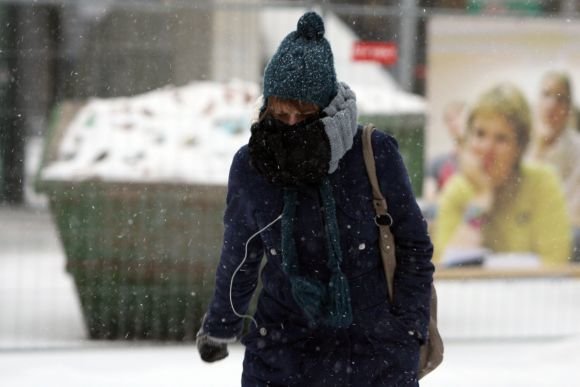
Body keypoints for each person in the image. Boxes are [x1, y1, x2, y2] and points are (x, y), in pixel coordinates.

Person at [195, 11, 434, 386]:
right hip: (281, 352)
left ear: (326, 109)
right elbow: (241, 254)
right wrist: (221, 325)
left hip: (371, 354)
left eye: (303, 114)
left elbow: (414, 248)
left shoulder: (372, 154)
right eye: (279, 111)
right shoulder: (253, 164)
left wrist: (406, 331)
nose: (289, 123)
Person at [433, 83, 571, 266]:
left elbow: (556, 264)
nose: (486, 148)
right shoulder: (456, 190)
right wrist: (481, 198)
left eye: (501, 138)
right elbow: (448, 271)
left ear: (519, 148)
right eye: (480, 134)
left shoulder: (543, 182)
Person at [527, 71, 580, 262]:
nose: (552, 104)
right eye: (546, 95)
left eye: (561, 98)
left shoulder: (577, 150)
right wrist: (538, 150)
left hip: (565, 237)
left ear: (569, 108)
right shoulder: (521, 145)